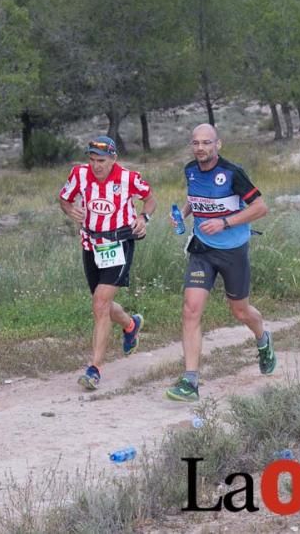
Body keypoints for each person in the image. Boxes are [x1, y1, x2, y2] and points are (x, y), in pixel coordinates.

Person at [165, 124, 274, 402]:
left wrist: (225, 222)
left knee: (240, 311)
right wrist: (183, 214)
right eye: (195, 143)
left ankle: (263, 339)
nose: (200, 148)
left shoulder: (232, 173)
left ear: (218, 144)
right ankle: (190, 382)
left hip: (233, 251)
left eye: (206, 143)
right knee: (191, 310)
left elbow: (260, 208)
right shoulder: (190, 169)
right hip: (202, 250)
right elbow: (194, 198)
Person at [58, 136, 156, 391]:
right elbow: (64, 199)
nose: (96, 166)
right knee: (102, 302)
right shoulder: (79, 175)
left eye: (101, 161)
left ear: (114, 159)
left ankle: (95, 369)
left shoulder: (128, 178)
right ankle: (130, 325)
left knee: (100, 304)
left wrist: (144, 218)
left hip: (119, 244)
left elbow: (150, 198)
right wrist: (70, 211)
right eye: (92, 160)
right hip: (90, 245)